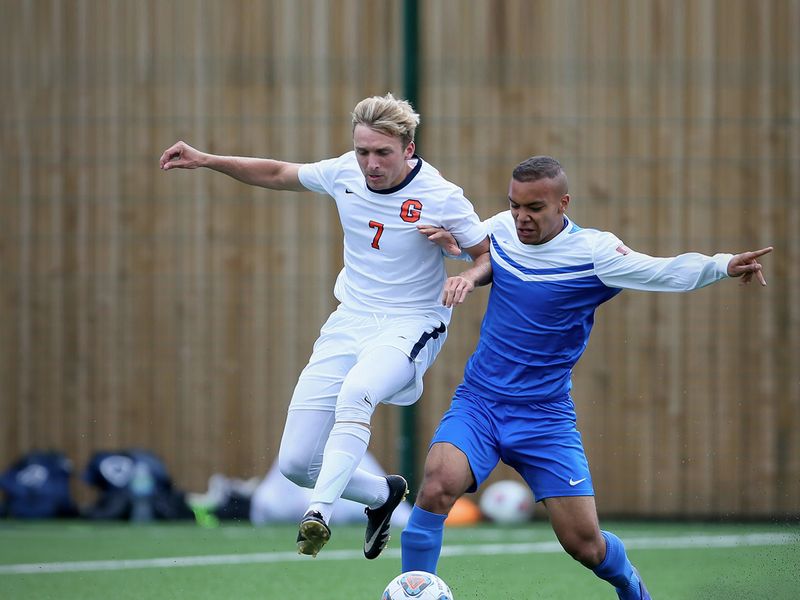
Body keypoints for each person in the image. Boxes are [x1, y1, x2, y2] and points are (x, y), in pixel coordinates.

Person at [402, 155, 772, 599]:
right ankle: (413, 590)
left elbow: (660, 270)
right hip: (479, 402)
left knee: (585, 544)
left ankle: (632, 587)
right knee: (437, 484)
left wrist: (722, 265)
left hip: (545, 417)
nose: (521, 217)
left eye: (535, 208)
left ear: (563, 203)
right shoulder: (500, 227)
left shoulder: (594, 252)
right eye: (515, 205)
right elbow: (479, 250)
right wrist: (452, 243)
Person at [159, 93, 490, 559]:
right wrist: (207, 159)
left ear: (409, 149)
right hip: (348, 321)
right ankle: (382, 495)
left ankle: (318, 514)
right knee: (296, 462)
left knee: (357, 393)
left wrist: (464, 271)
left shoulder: (441, 196)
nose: (370, 164)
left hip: (412, 322)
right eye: (363, 151)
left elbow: (488, 256)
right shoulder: (343, 173)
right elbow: (277, 173)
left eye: (382, 153)